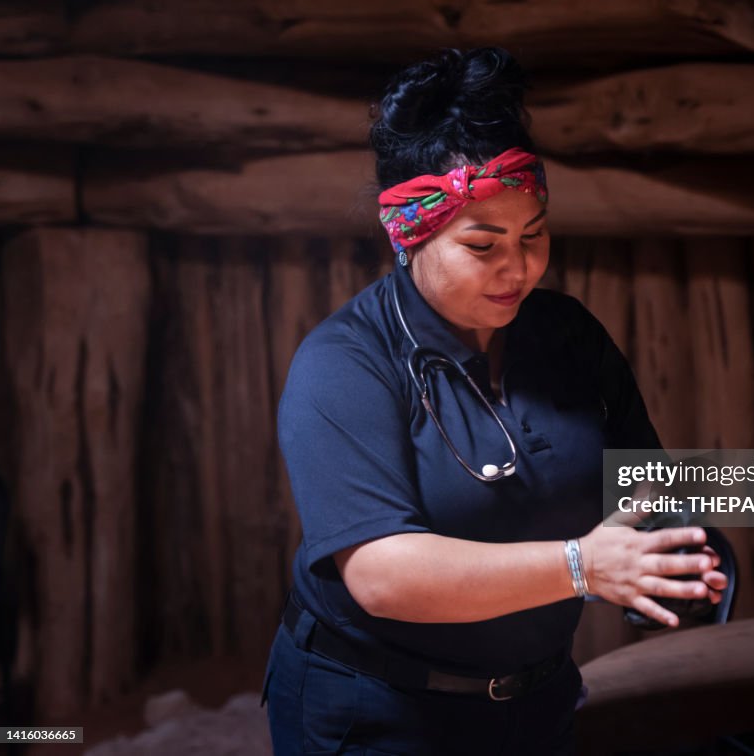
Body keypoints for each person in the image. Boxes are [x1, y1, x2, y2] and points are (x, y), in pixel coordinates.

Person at [262, 47, 727, 755]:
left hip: (536, 698)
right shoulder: (343, 365)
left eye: (533, 236)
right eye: (483, 245)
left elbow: (645, 486)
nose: (519, 267)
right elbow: (385, 577)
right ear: (409, 235)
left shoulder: (568, 336)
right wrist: (584, 566)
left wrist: (678, 559)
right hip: (378, 709)